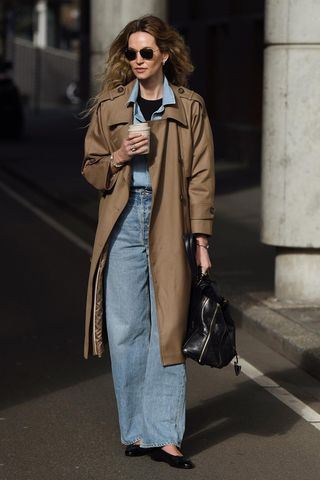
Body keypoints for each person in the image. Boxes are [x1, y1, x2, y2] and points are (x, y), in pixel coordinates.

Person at [82, 15, 215, 470]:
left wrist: (201, 238)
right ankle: (138, 431)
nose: (137, 60)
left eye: (146, 52)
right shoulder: (111, 107)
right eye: (131, 53)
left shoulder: (190, 108)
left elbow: (200, 177)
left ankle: (165, 435)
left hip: (168, 223)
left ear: (165, 56)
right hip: (122, 221)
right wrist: (119, 155)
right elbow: (92, 168)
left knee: (169, 330)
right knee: (126, 331)